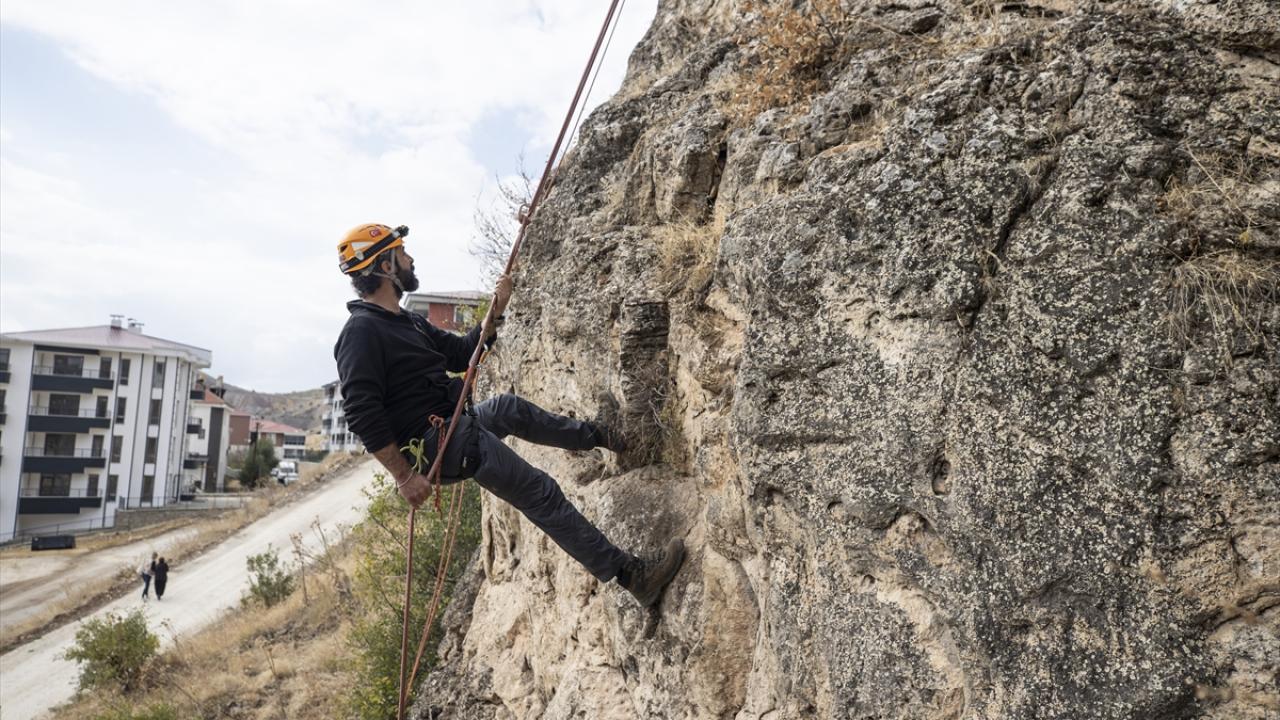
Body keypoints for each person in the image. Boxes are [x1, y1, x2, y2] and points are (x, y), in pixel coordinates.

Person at [334, 223, 684, 607]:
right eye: (401, 253)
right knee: (540, 492)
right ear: (385, 266)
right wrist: (404, 476)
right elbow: (361, 412)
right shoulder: (361, 332)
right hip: (437, 444)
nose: (410, 259)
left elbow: (460, 354)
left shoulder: (408, 321)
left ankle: (611, 438)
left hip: (452, 430)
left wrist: (495, 313)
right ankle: (634, 577)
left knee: (507, 409)